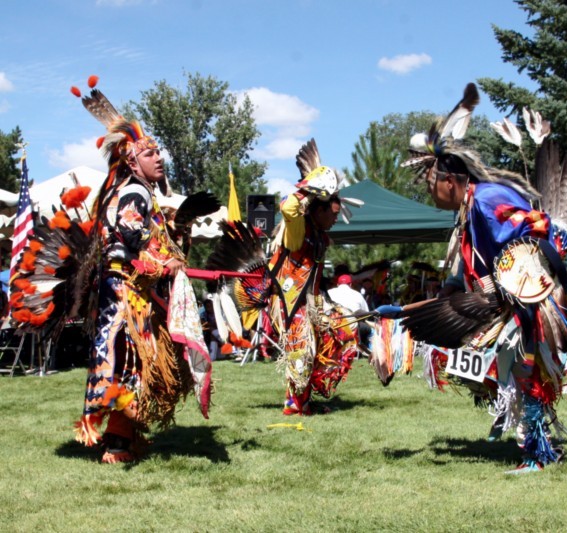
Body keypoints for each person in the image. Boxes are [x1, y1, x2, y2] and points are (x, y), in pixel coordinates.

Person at [11, 76, 212, 463]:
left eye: (158, 152)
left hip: (122, 292)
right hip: (125, 294)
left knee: (127, 360)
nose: (160, 159)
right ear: (131, 159)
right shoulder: (134, 192)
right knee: (129, 359)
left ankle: (122, 439)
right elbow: (131, 245)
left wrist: (175, 229)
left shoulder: (128, 192)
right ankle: (118, 443)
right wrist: (163, 263)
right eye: (150, 153)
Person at [388, 83, 567, 474]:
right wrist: (441, 297)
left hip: (526, 298)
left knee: (526, 370)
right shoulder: (470, 208)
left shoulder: (488, 200)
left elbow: (533, 241)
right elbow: (468, 264)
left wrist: (510, 292)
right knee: (498, 369)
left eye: (431, 183)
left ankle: (538, 454)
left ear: (451, 180)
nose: (430, 193)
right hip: (506, 299)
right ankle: (533, 442)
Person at [206, 139, 363, 416]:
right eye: (334, 213)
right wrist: (312, 187)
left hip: (312, 301)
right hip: (290, 302)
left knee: (345, 331)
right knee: (301, 349)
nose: (336, 219)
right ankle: (295, 405)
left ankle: (308, 396)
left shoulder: (317, 234)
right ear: (320, 208)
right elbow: (288, 207)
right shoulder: (298, 229)